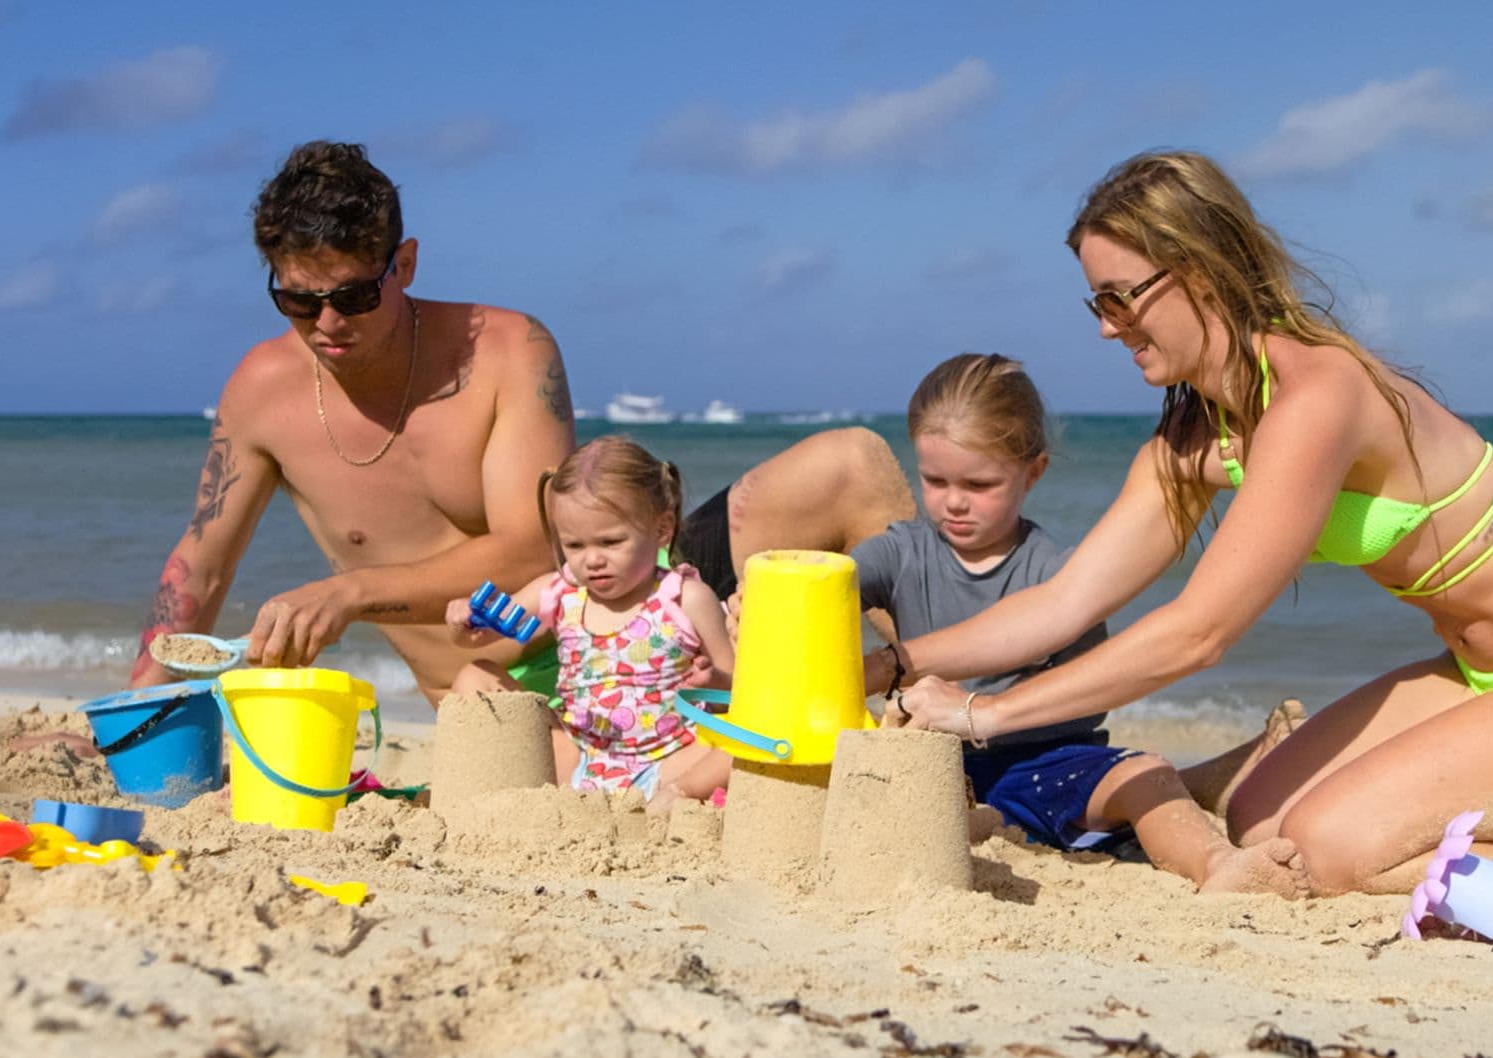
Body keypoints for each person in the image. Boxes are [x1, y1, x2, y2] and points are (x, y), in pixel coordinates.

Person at [887, 150, 1493, 897]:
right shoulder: (1194, 439)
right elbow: (1064, 602)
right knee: (1258, 819)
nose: (1106, 325)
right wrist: (890, 663)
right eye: (1094, 300)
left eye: (1119, 296)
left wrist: (985, 715)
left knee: (1328, 851)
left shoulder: (1319, 395)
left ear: (1199, 271)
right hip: (1478, 670)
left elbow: (1197, 635)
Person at [129, 140, 913, 706]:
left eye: (353, 296)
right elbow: (198, 568)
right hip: (504, 689)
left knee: (851, 461)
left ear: (403, 265)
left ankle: (935, 691)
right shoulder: (261, 391)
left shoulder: (508, 349)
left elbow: (536, 547)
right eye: (298, 299)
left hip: (646, 611)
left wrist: (353, 593)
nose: (327, 322)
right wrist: (131, 711)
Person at [854, 353, 1305, 895]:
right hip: (934, 766)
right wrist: (761, 605)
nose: (954, 502)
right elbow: (836, 583)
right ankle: (1223, 775)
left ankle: (1217, 864)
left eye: (979, 485)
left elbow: (1089, 699)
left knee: (1146, 773)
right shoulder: (902, 551)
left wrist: (987, 711)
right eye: (935, 480)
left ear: (1033, 472)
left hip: (1046, 765)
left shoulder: (1059, 573)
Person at [445, 436, 735, 805]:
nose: (592, 560)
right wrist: (463, 622)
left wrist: (715, 680)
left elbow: (737, 690)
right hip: (575, 757)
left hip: (667, 763)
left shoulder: (684, 597)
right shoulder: (560, 592)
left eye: (611, 542)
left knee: (754, 735)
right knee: (475, 676)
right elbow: (479, 636)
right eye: (575, 546)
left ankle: (681, 793)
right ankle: (501, 788)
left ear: (661, 529)